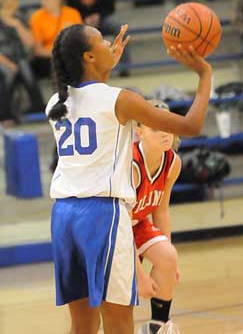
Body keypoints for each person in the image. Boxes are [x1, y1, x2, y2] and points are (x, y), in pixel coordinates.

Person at [45, 23, 211, 334]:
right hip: (101, 215)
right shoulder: (121, 99)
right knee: (120, 323)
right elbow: (191, 125)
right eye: (102, 41)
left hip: (64, 215)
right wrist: (204, 75)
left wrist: (104, 69)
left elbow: (95, 98)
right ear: (88, 56)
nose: (111, 44)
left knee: (82, 324)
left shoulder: (56, 102)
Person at [132, 100, 181, 334]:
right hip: (112, 228)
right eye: (156, 128)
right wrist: (138, 273)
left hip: (137, 224)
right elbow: (118, 223)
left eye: (167, 126)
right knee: (119, 301)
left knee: (169, 256)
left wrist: (169, 264)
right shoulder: (130, 164)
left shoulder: (172, 162)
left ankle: (157, 327)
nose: (164, 133)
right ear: (139, 133)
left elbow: (160, 210)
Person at [62, 0, 131, 77]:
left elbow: (110, 5)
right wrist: (84, 18)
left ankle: (124, 67)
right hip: (80, 20)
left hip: (102, 18)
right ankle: (77, 71)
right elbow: (69, 8)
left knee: (120, 29)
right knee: (71, 34)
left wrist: (98, 16)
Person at [0, 0, 45, 123]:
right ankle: (4, 114)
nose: (16, 3)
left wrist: (17, 25)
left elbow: (30, 43)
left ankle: (37, 107)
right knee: (8, 73)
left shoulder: (19, 18)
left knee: (25, 67)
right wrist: (8, 63)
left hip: (19, 58)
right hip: (2, 58)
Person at [29, 0, 83, 79]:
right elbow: (37, 50)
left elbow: (81, 40)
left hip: (70, 53)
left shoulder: (72, 13)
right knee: (59, 62)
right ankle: (61, 90)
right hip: (48, 57)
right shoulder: (36, 17)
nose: (43, 2)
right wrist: (58, 53)